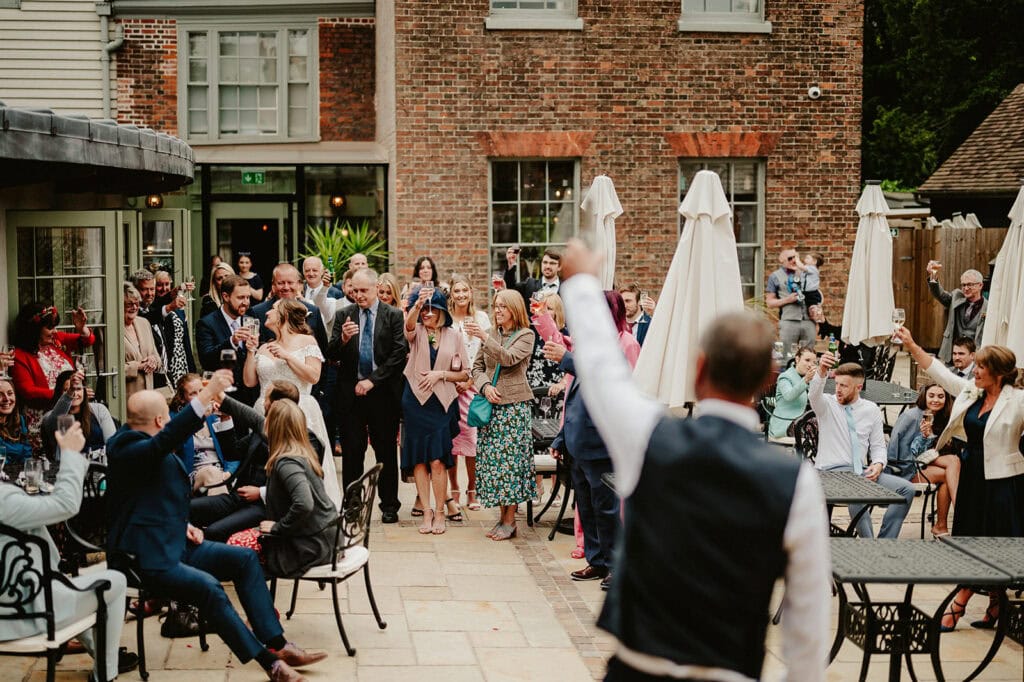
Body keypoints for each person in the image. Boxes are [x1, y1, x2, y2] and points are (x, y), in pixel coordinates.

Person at [555, 239, 829, 682]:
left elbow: (603, 371)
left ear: (698, 369)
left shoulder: (649, 438)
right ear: (766, 381)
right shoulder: (797, 482)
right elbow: (809, 624)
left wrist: (582, 282)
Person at [105, 373, 327, 682]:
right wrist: (206, 393)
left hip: (174, 542)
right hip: (143, 558)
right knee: (210, 589)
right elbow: (162, 446)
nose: (170, 421)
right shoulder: (125, 447)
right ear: (159, 420)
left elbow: (149, 498)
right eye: (168, 416)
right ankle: (270, 664)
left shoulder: (144, 444)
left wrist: (184, 523)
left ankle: (277, 643)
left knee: (244, 560)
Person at [895, 326, 1024, 631]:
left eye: (981, 367)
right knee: (971, 537)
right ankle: (995, 605)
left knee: (994, 541)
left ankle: (960, 602)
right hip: (972, 475)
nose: (974, 371)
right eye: (976, 365)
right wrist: (912, 344)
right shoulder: (971, 391)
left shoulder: (1018, 400)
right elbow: (939, 373)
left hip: (1004, 481)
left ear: (999, 374)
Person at [0, 422, 136, 682]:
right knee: (115, 580)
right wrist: (71, 454)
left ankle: (98, 651)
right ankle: (106, 674)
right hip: (27, 617)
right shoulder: (4, 500)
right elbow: (65, 505)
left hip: (16, 605)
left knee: (70, 583)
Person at [544, 291, 639, 590]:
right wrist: (562, 437)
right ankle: (597, 560)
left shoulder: (626, 344)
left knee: (608, 508)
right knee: (586, 507)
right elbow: (573, 394)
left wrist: (568, 359)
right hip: (578, 440)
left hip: (603, 442)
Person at [242, 298, 341, 509]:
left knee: (302, 461)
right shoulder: (265, 346)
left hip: (300, 409)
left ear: (284, 315)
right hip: (264, 411)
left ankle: (309, 505)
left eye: (273, 310)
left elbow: (314, 377)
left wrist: (288, 357)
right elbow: (249, 381)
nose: (267, 313)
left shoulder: (307, 342)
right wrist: (251, 352)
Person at [328, 268, 408, 522]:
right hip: (350, 394)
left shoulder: (393, 315)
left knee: (385, 450)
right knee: (352, 452)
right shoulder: (344, 315)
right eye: (355, 290)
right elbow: (329, 354)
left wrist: (373, 381)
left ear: (376, 289)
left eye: (364, 290)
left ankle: (389, 505)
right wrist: (342, 339)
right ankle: (352, 506)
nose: (358, 295)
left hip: (382, 394)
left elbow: (398, 354)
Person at [226, 399, 337, 578]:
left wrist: (278, 527)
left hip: (310, 546)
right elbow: (254, 419)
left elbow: (305, 503)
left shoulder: (286, 463)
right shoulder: (303, 449)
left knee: (235, 546)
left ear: (272, 426)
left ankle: (261, 604)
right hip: (327, 537)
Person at [809, 357, 915, 538]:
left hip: (861, 472)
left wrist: (879, 464)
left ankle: (885, 542)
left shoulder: (871, 409)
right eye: (837, 384)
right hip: (830, 472)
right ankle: (869, 544)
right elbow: (813, 395)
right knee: (858, 490)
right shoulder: (826, 404)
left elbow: (878, 446)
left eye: (844, 386)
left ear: (858, 387)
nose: (838, 389)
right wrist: (821, 371)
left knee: (907, 490)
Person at [190, 381, 306, 542]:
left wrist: (260, 492)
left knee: (214, 531)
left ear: (276, 405)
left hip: (265, 506)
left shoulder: (305, 438)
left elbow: (300, 487)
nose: (263, 403)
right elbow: (233, 453)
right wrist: (225, 419)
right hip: (237, 497)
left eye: (266, 399)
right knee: (187, 508)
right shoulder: (261, 430)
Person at [465, 289, 536, 541]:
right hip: (491, 406)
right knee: (495, 464)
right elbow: (476, 367)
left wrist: (484, 336)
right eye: (496, 306)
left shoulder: (526, 335)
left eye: (503, 307)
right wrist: (484, 386)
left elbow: (508, 359)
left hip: (514, 408)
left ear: (515, 309)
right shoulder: (495, 333)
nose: (498, 311)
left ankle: (510, 520)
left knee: (512, 465)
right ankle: (502, 516)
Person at [402, 287, 470, 535]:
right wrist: (416, 306)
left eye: (433, 308)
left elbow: (464, 373)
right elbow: (408, 327)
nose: (428, 313)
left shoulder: (454, 336)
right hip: (415, 402)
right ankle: (427, 512)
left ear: (442, 310)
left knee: (438, 460)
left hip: (441, 403)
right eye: (425, 309)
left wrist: (440, 375)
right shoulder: (417, 331)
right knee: (419, 459)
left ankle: (441, 511)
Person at [11, 301, 94, 447]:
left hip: (70, 414)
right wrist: (66, 394)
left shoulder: (57, 341)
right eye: (50, 327)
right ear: (34, 329)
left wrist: (82, 329)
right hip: (42, 420)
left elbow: (87, 340)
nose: (55, 331)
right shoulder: (19, 355)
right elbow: (27, 391)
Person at [885, 383, 960, 537]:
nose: (936, 400)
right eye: (931, 395)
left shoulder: (940, 416)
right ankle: (959, 514)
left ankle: (942, 525)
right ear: (924, 396)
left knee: (953, 462)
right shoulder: (911, 416)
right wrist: (924, 437)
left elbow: (926, 450)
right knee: (950, 468)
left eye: (940, 396)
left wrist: (927, 437)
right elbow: (897, 449)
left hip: (924, 461)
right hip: (906, 470)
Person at [447, 273, 491, 511]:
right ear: (451, 294)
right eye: (457, 291)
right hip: (451, 386)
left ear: (471, 292)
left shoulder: (481, 318)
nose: (461, 295)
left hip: (473, 387)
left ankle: (472, 489)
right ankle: (453, 487)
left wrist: (471, 379)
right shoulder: (447, 320)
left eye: (465, 291)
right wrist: (454, 379)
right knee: (452, 441)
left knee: (472, 440)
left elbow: (489, 354)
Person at [169, 373, 236, 494]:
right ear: (182, 398)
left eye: (201, 390)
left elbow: (232, 451)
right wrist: (199, 417)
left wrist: (228, 472)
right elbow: (172, 449)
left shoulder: (215, 415)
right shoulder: (176, 419)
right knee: (211, 472)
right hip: (193, 476)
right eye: (193, 394)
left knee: (215, 474)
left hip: (221, 473)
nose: (200, 396)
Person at [195, 274, 255, 392]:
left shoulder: (251, 320)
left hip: (250, 394)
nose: (246, 302)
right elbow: (206, 360)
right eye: (241, 297)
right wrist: (232, 342)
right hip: (222, 394)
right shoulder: (206, 323)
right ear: (226, 296)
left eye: (248, 297)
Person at [41, 369, 116, 459]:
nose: (75, 393)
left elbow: (113, 444)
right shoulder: (50, 416)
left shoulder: (99, 410)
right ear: (60, 393)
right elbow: (56, 418)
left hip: (99, 467)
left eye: (79, 389)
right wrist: (70, 392)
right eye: (67, 390)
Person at [926, 262, 987, 364]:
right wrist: (933, 274)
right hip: (952, 356)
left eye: (970, 285)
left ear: (980, 285)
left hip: (974, 358)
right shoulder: (956, 297)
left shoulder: (989, 308)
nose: (966, 288)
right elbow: (939, 294)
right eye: (963, 285)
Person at [145, 270, 197, 390]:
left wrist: (192, 368)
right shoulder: (153, 308)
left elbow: (185, 339)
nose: (164, 288)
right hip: (167, 364)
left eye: (167, 284)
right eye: (159, 285)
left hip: (182, 361)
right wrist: (171, 304)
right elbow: (158, 309)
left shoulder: (178, 307)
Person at [766, 248, 816, 351]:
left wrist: (817, 308)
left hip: (808, 320)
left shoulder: (806, 273)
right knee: (786, 355)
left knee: (809, 354)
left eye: (796, 258)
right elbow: (769, 302)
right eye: (790, 258)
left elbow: (816, 292)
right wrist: (787, 300)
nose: (794, 261)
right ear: (781, 260)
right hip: (788, 321)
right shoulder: (775, 276)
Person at [123, 283, 162, 399]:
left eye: (137, 303)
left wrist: (153, 360)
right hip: (125, 399)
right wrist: (138, 366)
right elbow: (107, 371)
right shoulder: (108, 330)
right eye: (130, 304)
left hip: (148, 396)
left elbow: (158, 358)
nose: (134, 307)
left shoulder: (144, 323)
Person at [769, 347, 817, 438]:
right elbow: (789, 396)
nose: (810, 365)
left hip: (801, 422)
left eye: (814, 362)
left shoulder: (808, 379)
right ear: (797, 359)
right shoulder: (785, 377)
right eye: (807, 360)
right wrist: (806, 380)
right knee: (814, 424)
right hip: (785, 423)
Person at [0, 377, 33, 464]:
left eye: (10, 393)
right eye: (0, 394)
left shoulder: (20, 420)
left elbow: (27, 453)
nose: (6, 399)